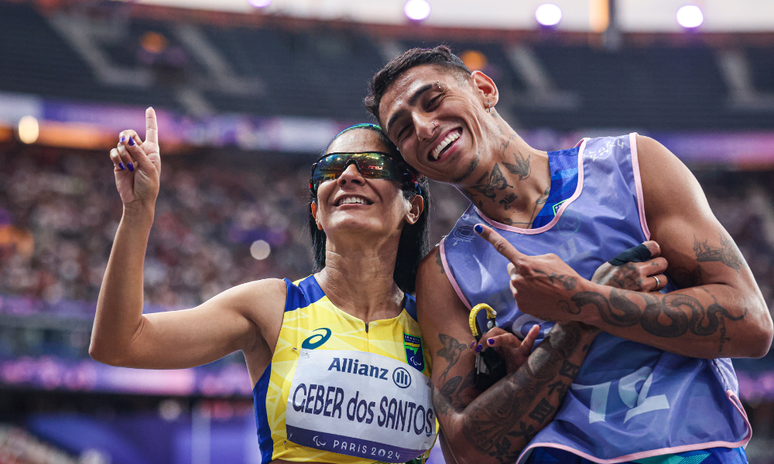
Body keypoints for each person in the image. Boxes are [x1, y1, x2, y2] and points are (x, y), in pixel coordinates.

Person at [364, 46, 773, 464]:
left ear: (484, 89)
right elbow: (468, 451)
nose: (425, 127)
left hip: (692, 452)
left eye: (433, 102)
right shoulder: (444, 273)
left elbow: (752, 325)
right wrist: (580, 318)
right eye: (403, 131)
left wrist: (583, 301)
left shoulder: (631, 165)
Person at [90, 111, 467, 464]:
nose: (349, 176)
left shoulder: (436, 327)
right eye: (331, 169)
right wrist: (138, 211)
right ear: (317, 212)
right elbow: (120, 344)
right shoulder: (271, 306)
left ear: (413, 206)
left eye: (372, 165)